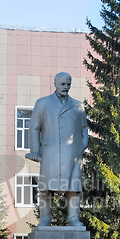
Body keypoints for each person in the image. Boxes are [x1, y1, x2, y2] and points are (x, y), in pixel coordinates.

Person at [25, 72, 88, 226]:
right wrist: (35, 151)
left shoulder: (78, 106)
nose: (66, 87)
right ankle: (45, 217)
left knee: (74, 188)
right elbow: (34, 128)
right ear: (55, 83)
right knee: (46, 187)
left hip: (73, 154)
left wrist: (82, 146)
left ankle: (73, 218)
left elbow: (84, 128)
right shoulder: (43, 103)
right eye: (63, 84)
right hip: (50, 153)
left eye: (68, 84)